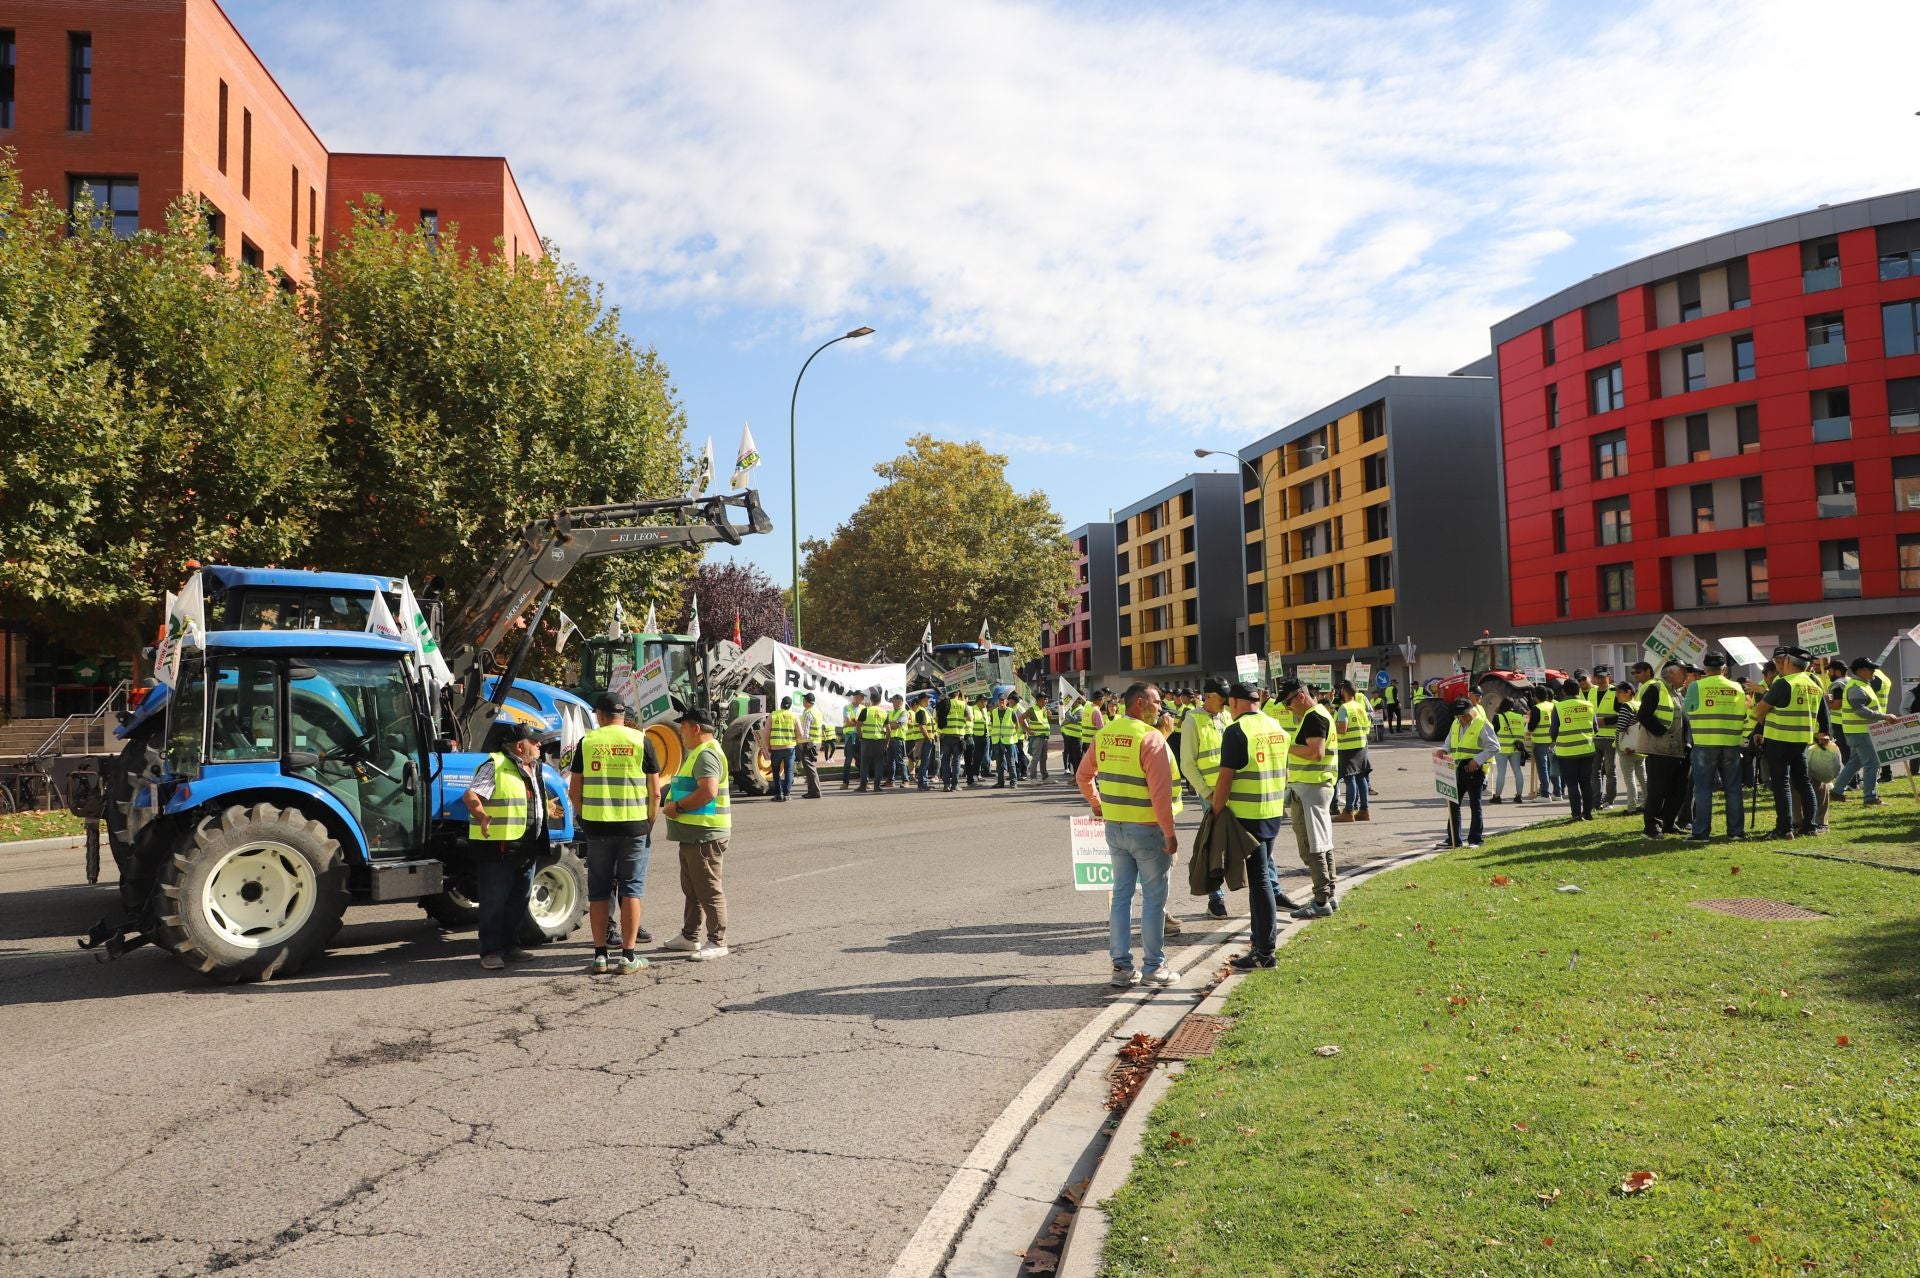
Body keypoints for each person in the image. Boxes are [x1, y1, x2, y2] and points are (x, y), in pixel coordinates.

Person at [1076, 681, 1180, 989]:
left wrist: (1098, 805)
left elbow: (1083, 776)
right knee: (1153, 899)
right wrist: (1170, 834)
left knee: (1121, 897)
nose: (1161, 708)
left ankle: (1121, 967)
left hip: (1116, 828)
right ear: (1139, 703)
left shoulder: (1105, 733)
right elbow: (1161, 796)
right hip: (1148, 830)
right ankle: (1154, 966)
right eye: (1156, 702)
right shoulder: (1151, 739)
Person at [569, 693, 661, 975]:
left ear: (599, 715)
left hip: (597, 828)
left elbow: (574, 791)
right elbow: (655, 792)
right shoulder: (640, 740)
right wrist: (648, 824)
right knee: (632, 889)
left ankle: (599, 956)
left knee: (599, 892)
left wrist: (587, 819)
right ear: (624, 715)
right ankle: (629, 956)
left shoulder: (588, 742)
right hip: (634, 827)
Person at [460, 722, 551, 971]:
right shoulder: (495, 764)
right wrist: (482, 817)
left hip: (527, 843)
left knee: (519, 898)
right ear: (520, 746)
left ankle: (510, 946)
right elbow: (471, 796)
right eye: (535, 741)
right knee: (494, 901)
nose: (539, 745)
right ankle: (490, 951)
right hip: (498, 845)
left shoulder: (534, 768)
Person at [1217, 682, 1290, 971]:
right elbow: (1284, 771)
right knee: (1262, 878)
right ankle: (1259, 943)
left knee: (1260, 881)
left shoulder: (1236, 731)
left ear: (1234, 703)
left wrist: (1216, 810)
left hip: (1247, 816)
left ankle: (1265, 952)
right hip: (1272, 811)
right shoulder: (1276, 727)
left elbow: (1225, 779)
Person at [659, 709, 731, 961]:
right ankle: (690, 936)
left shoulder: (706, 753)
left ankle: (717, 941)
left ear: (696, 728)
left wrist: (677, 807)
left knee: (708, 889)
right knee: (692, 888)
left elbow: (708, 792)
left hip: (705, 834)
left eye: (684, 728)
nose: (681, 732)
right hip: (694, 833)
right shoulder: (701, 753)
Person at [1751, 645, 1827, 841]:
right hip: (1801, 740)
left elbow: (1760, 711)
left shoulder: (1784, 683)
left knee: (1781, 784)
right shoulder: (1814, 685)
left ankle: (1784, 828)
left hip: (1779, 738)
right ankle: (1810, 826)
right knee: (1804, 782)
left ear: (1787, 662)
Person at [1278, 679, 1338, 918]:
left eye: (1288, 701)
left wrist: (1285, 746)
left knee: (1313, 846)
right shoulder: (1316, 714)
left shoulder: (1313, 716)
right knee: (1322, 843)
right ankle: (1329, 896)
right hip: (1313, 787)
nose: (1287, 706)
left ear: (1300, 696)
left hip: (1311, 788)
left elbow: (1315, 752)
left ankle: (1321, 900)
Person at [1178, 677, 1232, 919]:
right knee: (1214, 846)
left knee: (1242, 844)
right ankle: (1216, 898)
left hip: (1233, 792)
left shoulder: (1227, 716)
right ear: (1208, 696)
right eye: (1221, 699)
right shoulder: (1193, 719)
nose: (1225, 703)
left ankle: (1269, 891)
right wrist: (1206, 792)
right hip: (1211, 794)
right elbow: (1187, 764)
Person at [1683, 653, 1746, 842]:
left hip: (1705, 743)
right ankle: (1736, 832)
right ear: (1724, 669)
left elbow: (1687, 710)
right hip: (1731, 743)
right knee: (1733, 789)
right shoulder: (1737, 687)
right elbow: (1743, 712)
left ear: (1704, 668)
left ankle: (1701, 833)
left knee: (1703, 789)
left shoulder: (1697, 686)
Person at [1638, 661, 1689, 838]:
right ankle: (1651, 827)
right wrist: (1661, 732)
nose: (1686, 677)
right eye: (1684, 673)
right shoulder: (1656, 688)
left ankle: (1669, 823)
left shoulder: (1677, 693)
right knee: (1657, 790)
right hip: (1660, 749)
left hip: (1679, 750)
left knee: (1679, 790)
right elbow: (1644, 715)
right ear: (1672, 673)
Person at [1832, 656, 1892, 806]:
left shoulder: (1861, 684)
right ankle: (1870, 797)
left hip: (1857, 731)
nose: (1874, 672)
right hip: (1861, 732)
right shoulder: (1857, 687)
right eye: (1871, 669)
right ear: (1861, 670)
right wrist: (1884, 717)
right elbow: (1860, 710)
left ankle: (1836, 791)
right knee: (1872, 763)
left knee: (1855, 762)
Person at [1446, 696, 1499, 846]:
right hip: (1457, 769)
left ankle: (1475, 839)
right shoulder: (1455, 723)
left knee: (1475, 805)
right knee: (1453, 804)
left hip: (1475, 771)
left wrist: (1477, 760)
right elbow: (1448, 743)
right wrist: (1443, 751)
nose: (1461, 718)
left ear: (1471, 711)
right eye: (1458, 715)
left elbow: (1495, 747)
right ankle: (1454, 839)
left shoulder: (1482, 725)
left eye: (1464, 714)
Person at [1550, 679, 1597, 821]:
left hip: (1567, 752)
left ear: (1564, 691)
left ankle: (1576, 815)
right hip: (1587, 750)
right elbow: (1596, 728)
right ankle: (1588, 813)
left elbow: (1553, 731)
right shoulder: (1589, 705)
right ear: (1579, 691)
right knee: (1586, 783)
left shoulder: (1559, 707)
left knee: (1572, 784)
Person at [1332, 681, 1371, 822]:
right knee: (1361, 777)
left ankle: (1348, 811)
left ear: (1344, 691)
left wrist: (1332, 727)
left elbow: (1343, 728)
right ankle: (1364, 810)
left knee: (1350, 778)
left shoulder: (1344, 708)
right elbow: (1367, 727)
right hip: (1361, 745)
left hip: (1348, 747)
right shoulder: (1360, 708)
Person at [1616, 662, 1651, 813]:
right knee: (1643, 778)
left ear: (1628, 692)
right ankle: (1648, 803)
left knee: (1630, 779)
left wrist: (1619, 744)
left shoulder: (1626, 707)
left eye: (1619, 693)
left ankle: (1631, 807)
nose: (1617, 696)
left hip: (1628, 747)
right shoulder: (1639, 704)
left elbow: (1621, 727)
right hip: (1641, 746)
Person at [1586, 666, 1621, 807]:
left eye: (1603, 676)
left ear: (1609, 677)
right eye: (1598, 677)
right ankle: (1596, 801)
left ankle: (1609, 800)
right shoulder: (1592, 692)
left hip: (1610, 738)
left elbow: (1621, 715)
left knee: (1610, 771)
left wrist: (1604, 721)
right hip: (1594, 737)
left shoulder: (1615, 692)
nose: (1600, 679)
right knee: (1594, 772)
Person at [1490, 697, 1528, 804]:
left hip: (1501, 749)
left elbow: (1493, 732)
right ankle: (1519, 796)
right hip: (1516, 749)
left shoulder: (1498, 717)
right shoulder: (1520, 717)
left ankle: (1497, 797)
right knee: (1518, 772)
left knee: (1501, 772)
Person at [1527, 691, 1562, 800]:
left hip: (1540, 741)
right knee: (1553, 766)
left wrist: (1528, 723)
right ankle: (1557, 793)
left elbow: (1531, 727)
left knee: (1543, 768)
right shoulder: (1554, 706)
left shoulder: (1537, 708)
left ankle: (1545, 794)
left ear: (1536, 697)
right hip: (1553, 741)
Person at [766, 695, 799, 802]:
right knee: (789, 771)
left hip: (775, 749)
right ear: (790, 706)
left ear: (781, 704)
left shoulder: (773, 715)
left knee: (775, 771)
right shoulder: (794, 716)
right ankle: (787, 794)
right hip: (790, 748)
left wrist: (767, 746)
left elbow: (766, 733)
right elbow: (800, 733)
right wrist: (796, 742)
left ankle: (778, 794)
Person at [857, 691, 890, 792]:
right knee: (879, 763)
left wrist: (860, 736)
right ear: (880, 701)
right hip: (879, 741)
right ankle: (877, 786)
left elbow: (858, 726)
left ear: (871, 700)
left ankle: (863, 786)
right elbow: (889, 730)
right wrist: (887, 742)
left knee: (864, 763)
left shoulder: (865, 711)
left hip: (866, 741)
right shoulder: (884, 712)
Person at [795, 692, 826, 799]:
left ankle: (816, 792)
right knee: (810, 767)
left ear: (807, 702)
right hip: (816, 742)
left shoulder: (808, 713)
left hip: (809, 743)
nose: (803, 702)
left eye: (804, 700)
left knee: (810, 768)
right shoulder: (816, 711)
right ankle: (811, 791)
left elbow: (805, 732)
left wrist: (800, 742)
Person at [939, 690, 971, 791]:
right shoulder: (963, 704)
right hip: (958, 737)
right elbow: (970, 718)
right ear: (957, 694)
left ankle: (946, 785)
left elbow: (937, 718)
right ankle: (954, 785)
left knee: (945, 761)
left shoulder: (944, 703)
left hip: (946, 735)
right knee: (956, 761)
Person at [912, 692, 939, 791]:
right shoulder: (921, 711)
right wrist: (928, 738)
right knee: (924, 762)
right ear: (922, 700)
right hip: (925, 740)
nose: (929, 701)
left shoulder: (924, 710)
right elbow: (922, 727)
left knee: (925, 762)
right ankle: (922, 784)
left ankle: (924, 783)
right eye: (927, 699)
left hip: (927, 739)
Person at [841, 691, 866, 789]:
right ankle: (845, 783)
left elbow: (864, 722)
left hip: (860, 737)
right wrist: (858, 722)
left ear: (862, 699)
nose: (857, 699)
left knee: (862, 761)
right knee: (848, 761)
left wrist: (855, 721)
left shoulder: (864, 709)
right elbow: (848, 722)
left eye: (859, 698)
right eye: (855, 697)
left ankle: (864, 782)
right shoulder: (847, 708)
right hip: (850, 737)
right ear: (853, 697)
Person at [884, 693, 909, 786]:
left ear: (900, 701)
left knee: (900, 760)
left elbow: (897, 725)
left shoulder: (904, 712)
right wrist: (891, 724)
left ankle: (906, 780)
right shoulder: (890, 712)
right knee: (890, 761)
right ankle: (890, 781)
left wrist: (889, 725)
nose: (892, 702)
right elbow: (887, 725)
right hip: (890, 739)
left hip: (898, 739)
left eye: (894, 700)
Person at [1026, 694, 1053, 783]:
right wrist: (1027, 730)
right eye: (1042, 700)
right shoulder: (1032, 709)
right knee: (1035, 758)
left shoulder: (1044, 709)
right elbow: (1021, 718)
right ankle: (1033, 778)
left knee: (1043, 758)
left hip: (1044, 737)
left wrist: (1049, 716)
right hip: (1037, 737)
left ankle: (1045, 777)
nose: (1045, 701)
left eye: (1045, 699)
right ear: (1037, 701)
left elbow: (1044, 721)